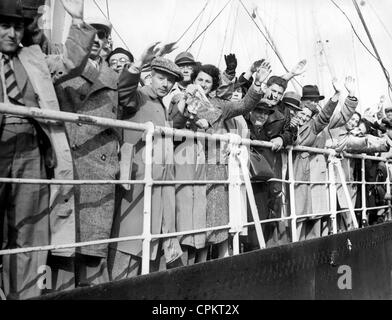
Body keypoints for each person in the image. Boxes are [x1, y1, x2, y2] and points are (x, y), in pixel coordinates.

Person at [0, 0, 95, 299]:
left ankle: (24, 295)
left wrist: (78, 21)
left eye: (17, 27)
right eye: (5, 26)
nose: (12, 34)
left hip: (31, 149)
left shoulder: (34, 57)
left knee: (30, 231)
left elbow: (71, 61)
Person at [54, 18, 137, 289]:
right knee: (63, 243)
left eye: (102, 39)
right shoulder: (62, 66)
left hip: (99, 164)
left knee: (92, 246)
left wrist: (141, 63)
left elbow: (126, 95)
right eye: (93, 37)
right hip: (70, 158)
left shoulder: (112, 76)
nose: (97, 42)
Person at [171, 61, 271, 259]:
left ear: (214, 84)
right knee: (194, 218)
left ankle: (220, 258)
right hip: (189, 163)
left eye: (208, 81)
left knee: (218, 215)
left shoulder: (219, 104)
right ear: (193, 80)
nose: (204, 83)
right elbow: (175, 121)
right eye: (200, 79)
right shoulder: (180, 97)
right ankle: (197, 261)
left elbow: (244, 105)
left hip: (215, 164)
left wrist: (257, 84)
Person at [109, 44, 185, 280]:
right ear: (149, 76)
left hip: (158, 183)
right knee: (129, 240)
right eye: (161, 78)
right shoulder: (139, 96)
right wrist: (138, 62)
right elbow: (123, 92)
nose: (165, 84)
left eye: (170, 80)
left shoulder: (162, 105)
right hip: (137, 181)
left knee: (150, 242)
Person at [293, 78, 354, 239]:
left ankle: (317, 241)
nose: (313, 103)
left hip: (318, 169)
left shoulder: (321, 120)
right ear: (302, 101)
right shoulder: (295, 116)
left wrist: (351, 95)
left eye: (316, 100)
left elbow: (342, 117)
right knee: (299, 211)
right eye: (310, 100)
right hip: (297, 167)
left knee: (318, 211)